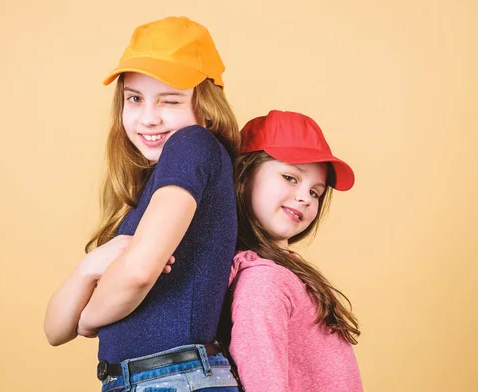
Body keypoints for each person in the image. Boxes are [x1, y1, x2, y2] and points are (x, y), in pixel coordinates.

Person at [44, 16, 241, 391]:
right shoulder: (154, 184)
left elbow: (136, 274)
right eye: (134, 98)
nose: (148, 118)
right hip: (157, 379)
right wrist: (88, 269)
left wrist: (87, 319)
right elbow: (54, 330)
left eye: (170, 100)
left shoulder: (192, 144)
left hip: (172, 378)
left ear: (207, 108)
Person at [220, 110, 363, 391]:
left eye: (315, 192)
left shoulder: (285, 274)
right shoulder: (264, 282)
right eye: (290, 177)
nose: (304, 198)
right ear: (243, 177)